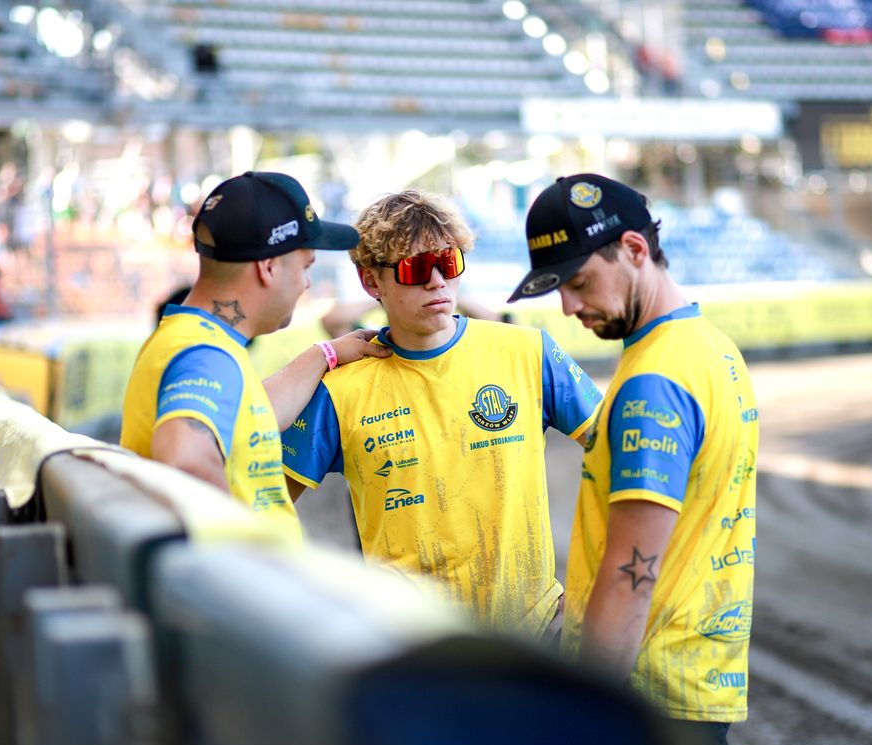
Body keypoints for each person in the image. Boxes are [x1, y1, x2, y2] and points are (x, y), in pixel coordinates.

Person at [507, 174, 758, 745]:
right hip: (692, 680)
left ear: (635, 251)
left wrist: (582, 712)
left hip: (646, 696)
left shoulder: (655, 382)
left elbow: (629, 573)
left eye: (580, 282)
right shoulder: (712, 347)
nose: (568, 307)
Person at [280, 189, 602, 637]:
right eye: (416, 269)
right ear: (371, 281)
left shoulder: (528, 352)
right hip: (417, 650)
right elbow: (266, 500)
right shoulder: (341, 390)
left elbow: (617, 454)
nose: (437, 282)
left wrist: (599, 573)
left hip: (535, 638)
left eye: (447, 264)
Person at [121, 172, 390, 536]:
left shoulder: (189, 339)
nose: (307, 283)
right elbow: (185, 457)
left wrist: (326, 353)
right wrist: (244, 559)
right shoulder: (206, 354)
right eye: (306, 266)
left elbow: (250, 414)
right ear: (269, 267)